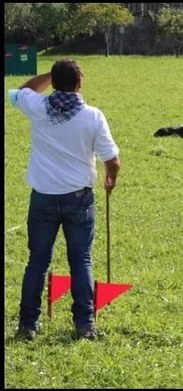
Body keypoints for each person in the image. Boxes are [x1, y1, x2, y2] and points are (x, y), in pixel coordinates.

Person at [10, 58, 121, 341]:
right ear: (80, 83)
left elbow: (21, 90)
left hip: (43, 198)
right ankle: (84, 325)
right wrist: (111, 177)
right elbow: (113, 161)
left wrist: (50, 74)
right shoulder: (93, 116)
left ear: (54, 81)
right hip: (78, 199)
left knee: (37, 261)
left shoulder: (37, 107)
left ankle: (27, 325)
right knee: (81, 261)